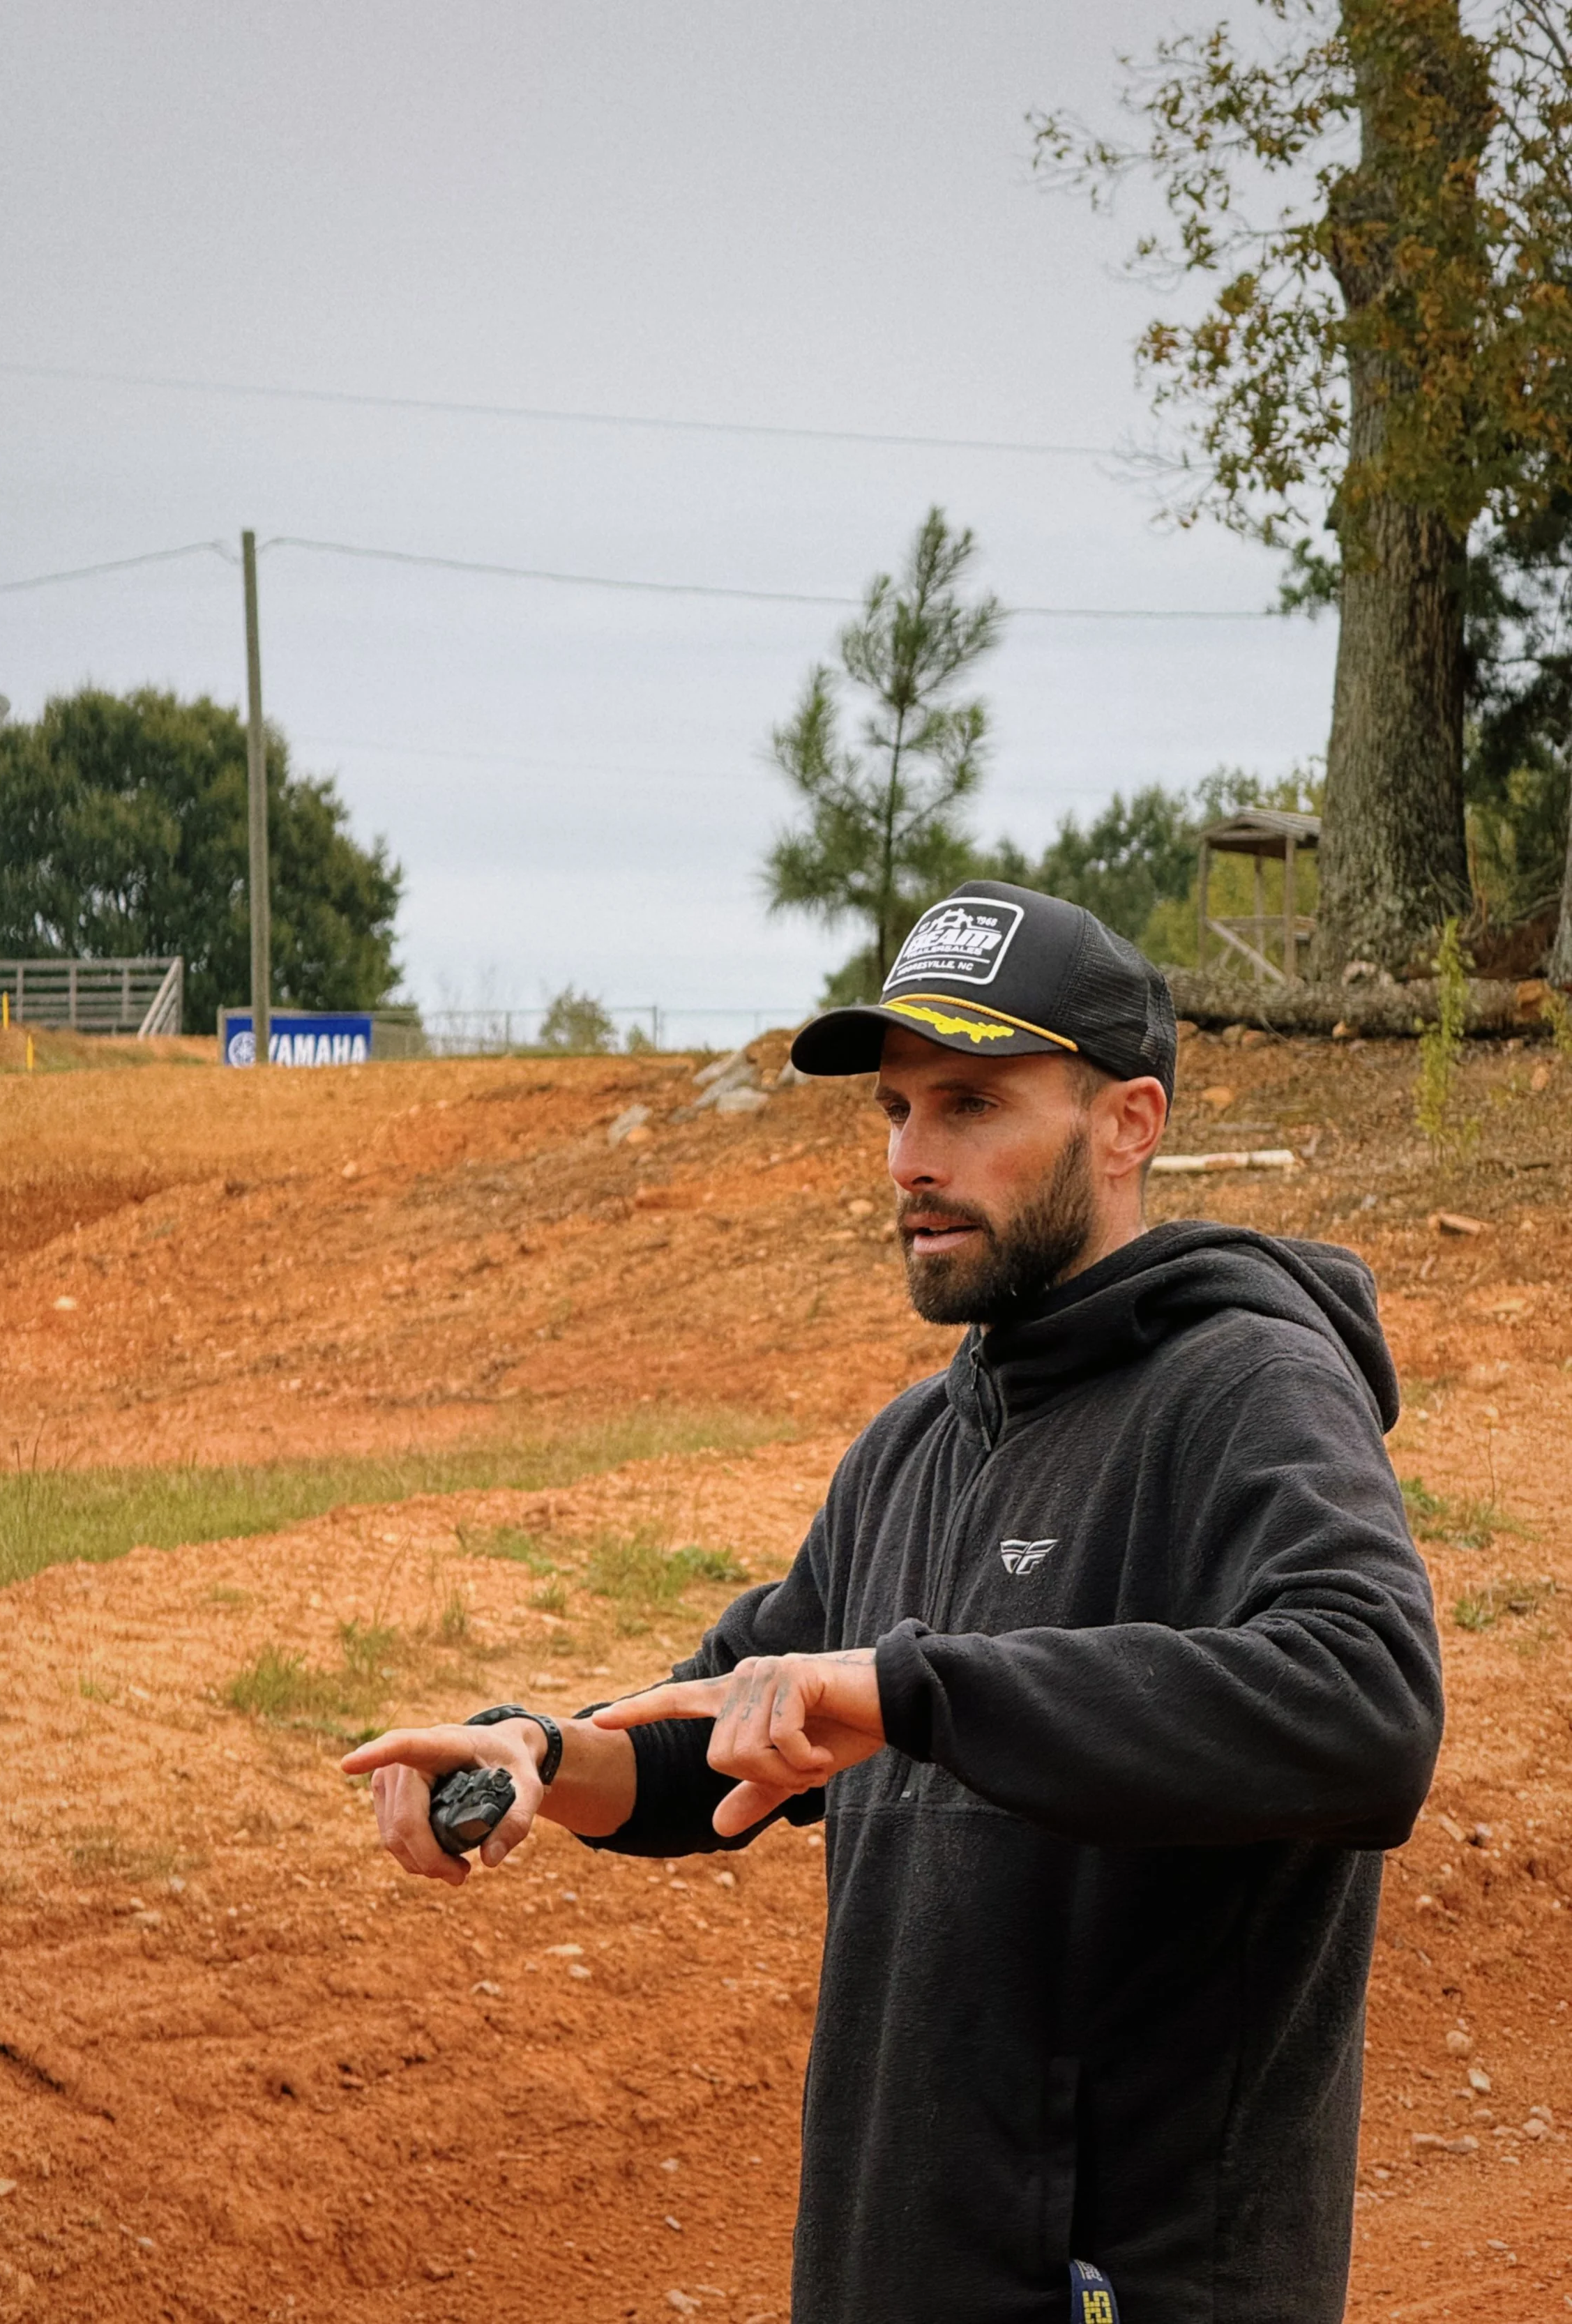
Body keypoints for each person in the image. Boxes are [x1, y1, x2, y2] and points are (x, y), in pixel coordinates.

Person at [342, 880, 1443, 2324]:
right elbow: (709, 1731)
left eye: (971, 1105)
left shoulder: (1245, 1391)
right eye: (894, 1111)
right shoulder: (914, 1446)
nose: (912, 1159)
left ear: (1128, 1123)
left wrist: (912, 1689)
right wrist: (538, 1756)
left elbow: (1365, 1706)